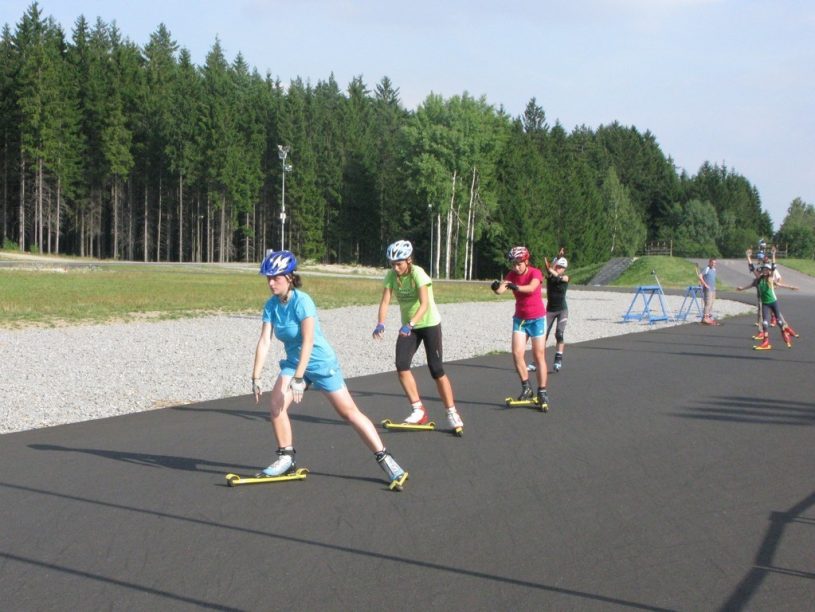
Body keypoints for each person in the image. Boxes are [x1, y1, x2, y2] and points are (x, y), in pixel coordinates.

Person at [251, 249, 408, 489]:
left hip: (320, 363)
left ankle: (386, 459)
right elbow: (264, 341)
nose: (271, 283)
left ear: (290, 277)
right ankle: (286, 457)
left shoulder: (303, 301)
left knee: (348, 412)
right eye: (268, 278)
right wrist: (256, 375)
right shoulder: (271, 306)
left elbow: (308, 341)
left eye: (276, 278)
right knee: (276, 404)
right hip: (294, 363)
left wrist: (300, 378)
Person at [372, 240, 464, 432]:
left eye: (399, 264)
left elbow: (425, 304)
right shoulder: (391, 276)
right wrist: (380, 323)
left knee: (436, 369)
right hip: (409, 327)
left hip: (428, 323)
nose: (395, 268)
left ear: (408, 260)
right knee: (401, 364)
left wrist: (410, 324)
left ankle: (452, 412)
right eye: (392, 264)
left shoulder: (418, 274)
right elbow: (385, 302)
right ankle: (418, 409)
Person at [491, 246, 549, 407]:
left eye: (519, 263)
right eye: (513, 264)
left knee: (538, 356)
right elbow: (501, 290)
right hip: (520, 319)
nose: (516, 267)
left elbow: (531, 288)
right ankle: (526, 387)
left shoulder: (535, 273)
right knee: (517, 354)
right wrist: (496, 287)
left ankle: (542, 391)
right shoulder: (511, 275)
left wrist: (516, 287)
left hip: (537, 318)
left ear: (526, 261)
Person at [736, 249, 799, 349]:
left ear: (769, 271)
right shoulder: (759, 278)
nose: (765, 271)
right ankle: (766, 342)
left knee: (779, 321)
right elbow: (752, 269)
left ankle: (785, 333)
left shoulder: (770, 278)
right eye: (763, 269)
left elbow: (774, 268)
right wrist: (748, 257)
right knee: (765, 322)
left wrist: (773, 255)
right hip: (765, 303)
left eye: (766, 270)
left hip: (773, 302)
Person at [544, 248, 570, 372]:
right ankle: (536, 360)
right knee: (542, 336)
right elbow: (550, 271)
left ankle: (558, 358)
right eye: (557, 267)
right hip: (550, 310)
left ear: (564, 269)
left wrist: (557, 261)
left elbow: (560, 277)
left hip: (562, 310)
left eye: (561, 267)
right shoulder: (550, 276)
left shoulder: (566, 278)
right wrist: (557, 258)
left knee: (559, 334)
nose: (558, 269)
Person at [698, 257, 718, 325]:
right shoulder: (707, 269)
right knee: (708, 303)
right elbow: (700, 276)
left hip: (713, 289)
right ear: (709, 262)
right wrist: (705, 284)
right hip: (708, 289)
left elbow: (712, 279)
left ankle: (709, 316)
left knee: (711, 303)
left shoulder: (714, 269)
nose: (713, 264)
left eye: (715, 263)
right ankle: (705, 318)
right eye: (712, 263)